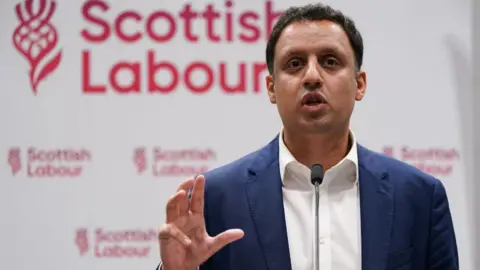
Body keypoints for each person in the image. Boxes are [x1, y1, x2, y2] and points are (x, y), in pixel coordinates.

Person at [156, 3, 459, 270]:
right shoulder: (216, 199)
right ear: (272, 88)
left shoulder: (418, 197)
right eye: (295, 64)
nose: (312, 76)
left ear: (360, 84)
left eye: (330, 61)